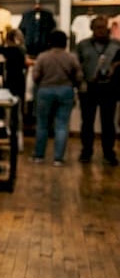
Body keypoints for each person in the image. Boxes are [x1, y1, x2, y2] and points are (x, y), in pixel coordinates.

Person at [30, 29, 82, 166]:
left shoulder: (42, 57)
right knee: (62, 125)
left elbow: (35, 76)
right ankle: (58, 158)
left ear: (50, 42)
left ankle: (39, 156)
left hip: (45, 90)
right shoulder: (71, 57)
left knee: (42, 125)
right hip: (66, 91)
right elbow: (79, 77)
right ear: (65, 42)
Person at [73, 14, 120, 164]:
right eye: (97, 27)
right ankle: (86, 151)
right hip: (89, 88)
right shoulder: (82, 45)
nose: (101, 31)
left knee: (108, 123)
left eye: (103, 27)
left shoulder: (116, 45)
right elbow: (76, 65)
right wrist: (80, 82)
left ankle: (109, 152)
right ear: (92, 28)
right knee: (87, 122)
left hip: (109, 88)